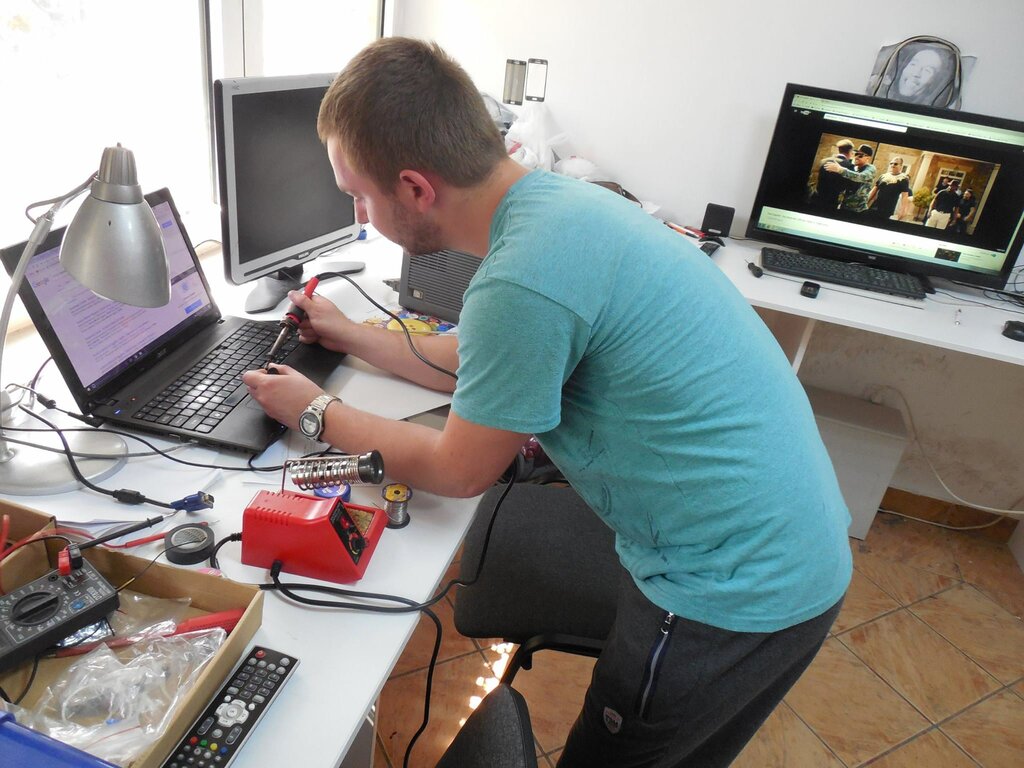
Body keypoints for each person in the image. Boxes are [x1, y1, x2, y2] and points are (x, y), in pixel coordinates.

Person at [241, 38, 851, 768]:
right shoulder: (556, 208)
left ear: (414, 188)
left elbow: (459, 469)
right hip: (790, 547)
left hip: (730, 594)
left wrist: (314, 413)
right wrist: (349, 335)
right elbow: (480, 364)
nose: (359, 214)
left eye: (360, 195)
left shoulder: (522, 280)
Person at [823, 144, 877, 212]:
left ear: (868, 158)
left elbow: (860, 176)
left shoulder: (871, 169)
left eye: (860, 155)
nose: (856, 157)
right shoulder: (853, 167)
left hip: (858, 210)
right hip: (844, 207)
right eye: (856, 154)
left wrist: (840, 170)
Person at [810, 138, 855, 211]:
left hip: (816, 197)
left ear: (839, 149)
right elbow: (851, 186)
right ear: (850, 151)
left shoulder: (823, 161)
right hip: (831, 201)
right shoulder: (849, 166)